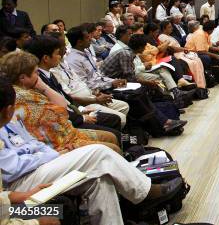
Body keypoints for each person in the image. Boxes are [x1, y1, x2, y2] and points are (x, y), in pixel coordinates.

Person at [0, 77, 183, 225]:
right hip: (16, 190)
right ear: (8, 109)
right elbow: (13, 168)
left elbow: (34, 144)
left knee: (99, 180)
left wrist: (49, 155)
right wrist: (53, 155)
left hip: (29, 178)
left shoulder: (10, 122)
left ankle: (135, 199)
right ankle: (144, 192)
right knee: (98, 153)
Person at [0, 51, 120, 153]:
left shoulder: (27, 89)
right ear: (22, 78)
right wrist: (44, 86)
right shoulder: (23, 96)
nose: (38, 76)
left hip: (65, 132)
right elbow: (63, 108)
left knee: (111, 137)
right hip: (58, 143)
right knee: (113, 147)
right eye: (36, 72)